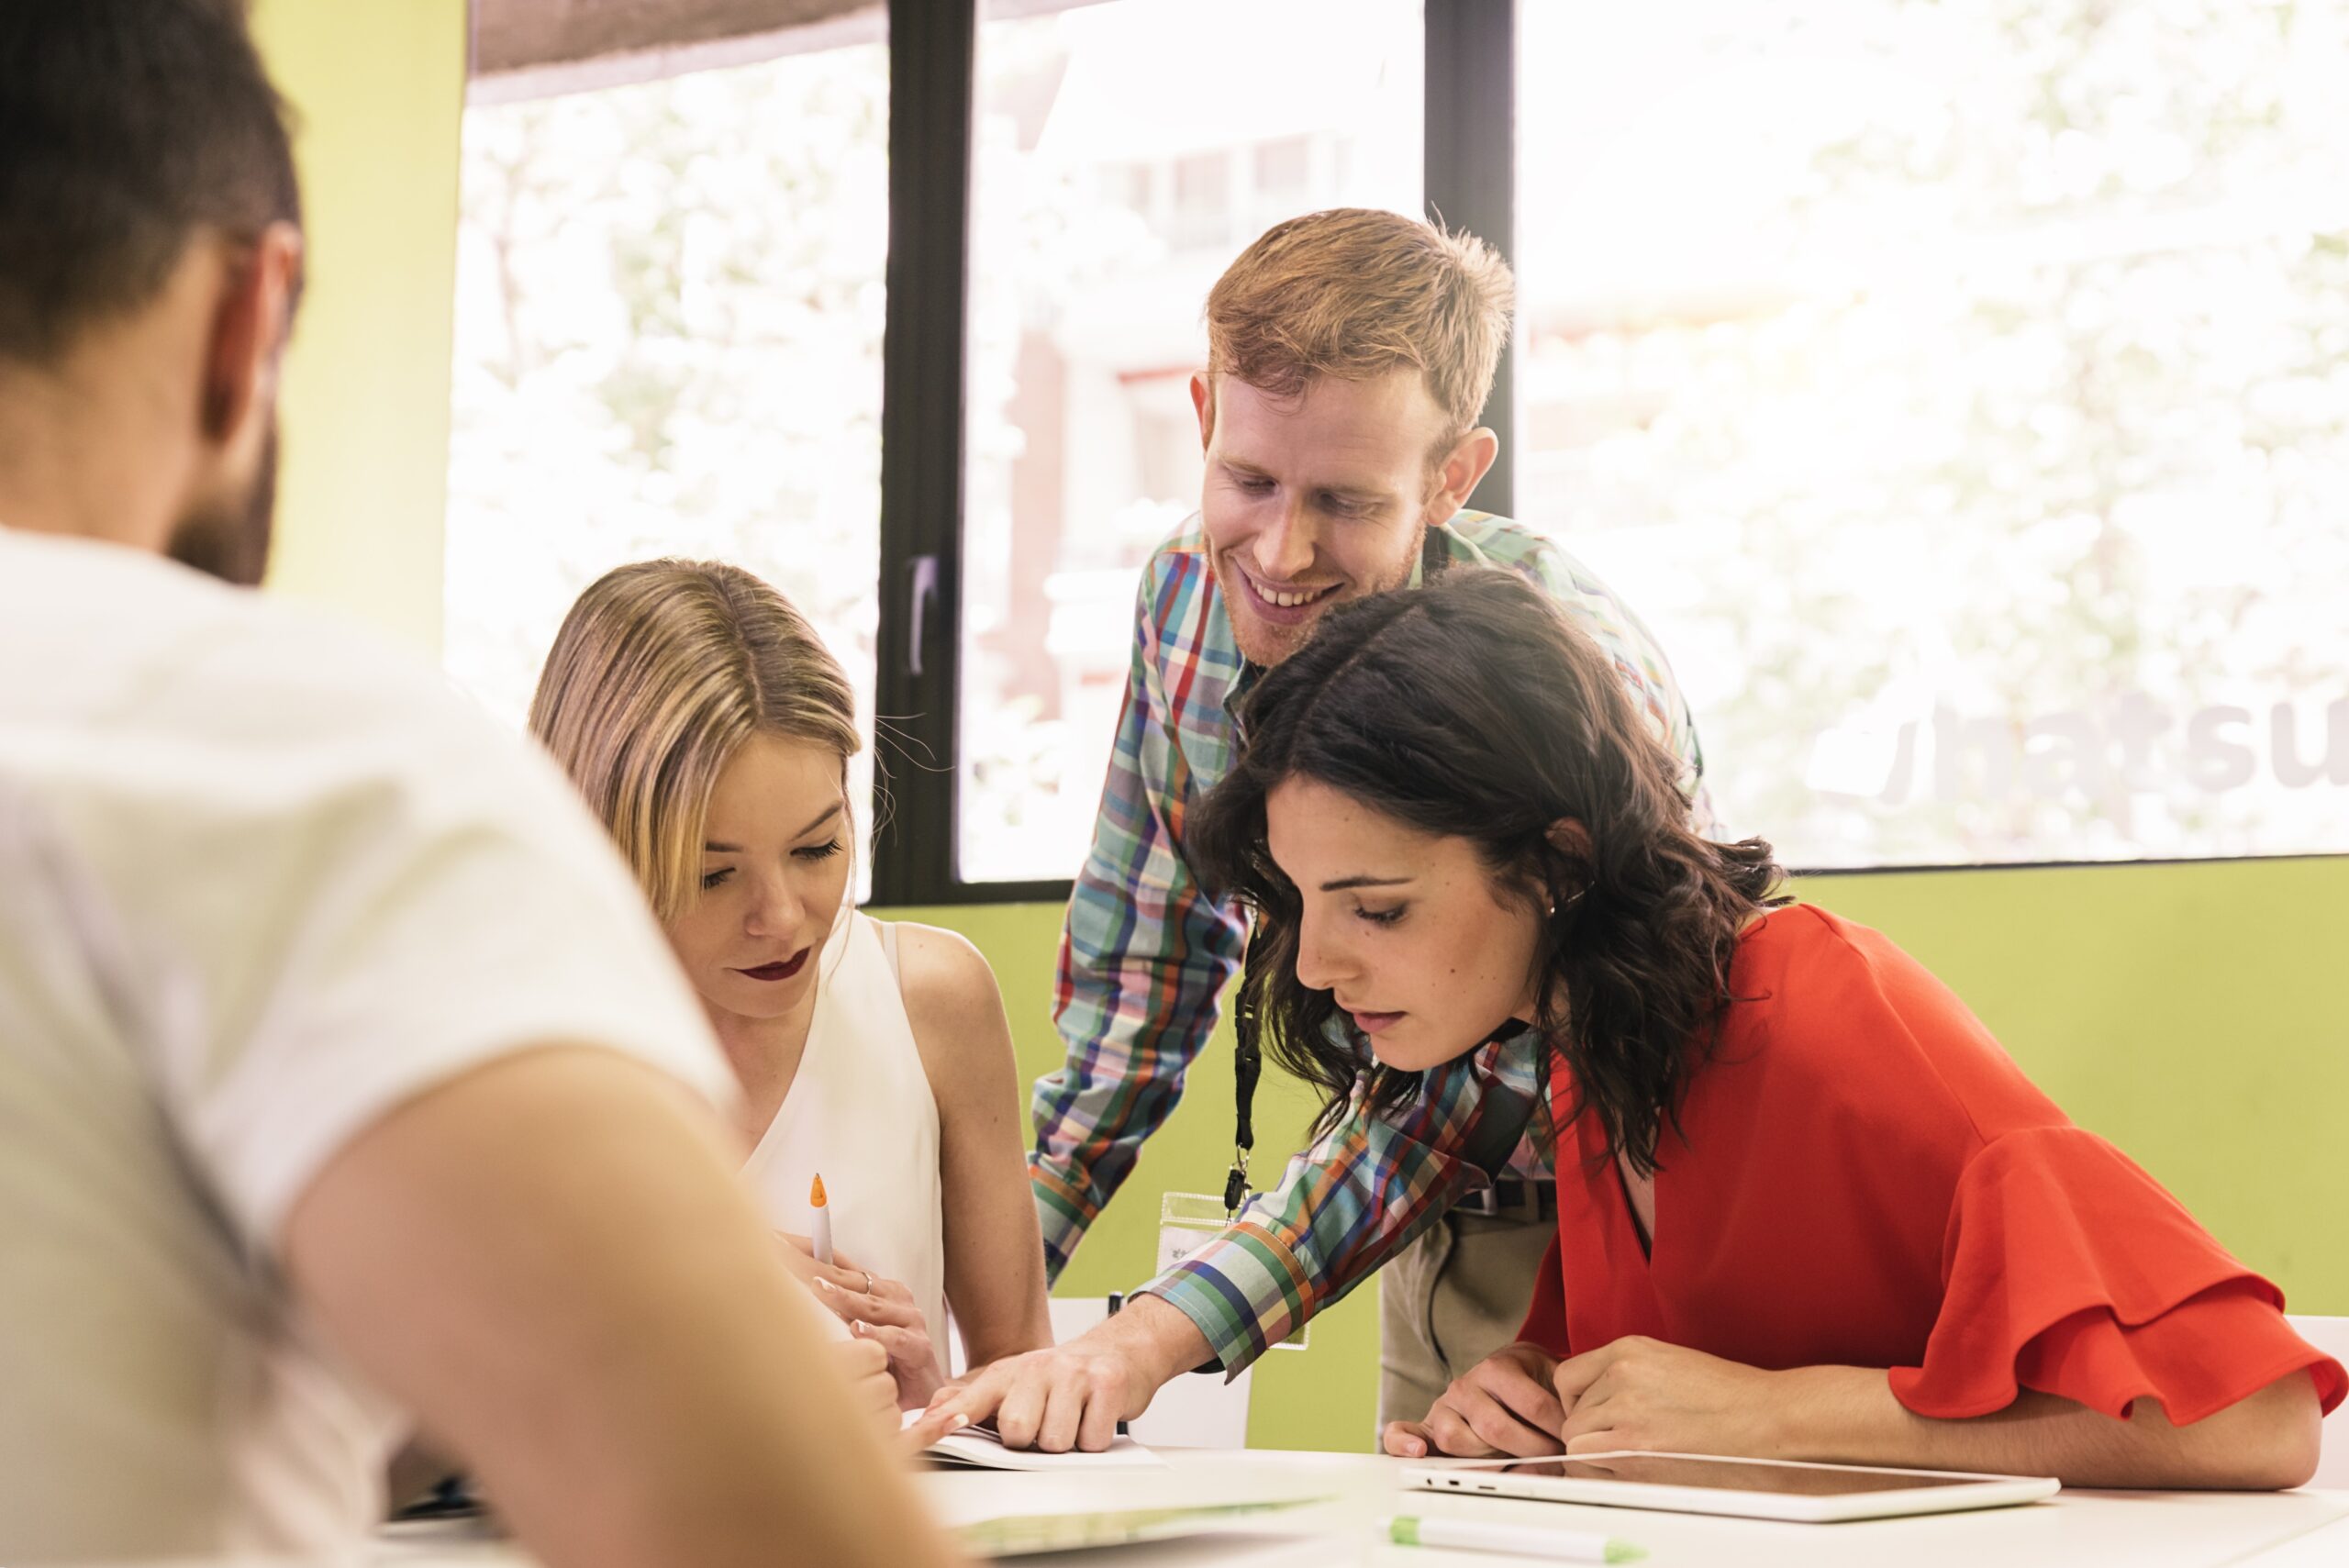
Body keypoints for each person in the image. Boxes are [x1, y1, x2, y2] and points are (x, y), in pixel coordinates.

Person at [0, 5, 960, 1563]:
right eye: (710, 865)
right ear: (253, 313)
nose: (773, 908)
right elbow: (762, 1524)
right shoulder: (295, 766)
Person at [1179, 570, 2333, 1485]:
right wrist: (1525, 1389)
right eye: (1301, 901)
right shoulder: (1585, 1045)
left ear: (1558, 862)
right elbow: (1660, 1379)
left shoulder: (1823, 1011)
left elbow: (2255, 1420)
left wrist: (1776, 1413)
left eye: (1375, 907)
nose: (1319, 967)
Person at [1017, 206, 1710, 1435]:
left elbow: (1488, 1086)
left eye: (1342, 499)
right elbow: (1145, 972)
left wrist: (1150, 1335)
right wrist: (1000, 1275)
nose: (1281, 550)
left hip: (1626, 1218)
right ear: (1201, 418)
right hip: (1409, 1222)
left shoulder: (1560, 666)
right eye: (1248, 479)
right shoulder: (1183, 601)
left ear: (1451, 477)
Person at [530, 560, 1053, 1404]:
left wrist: (935, 1396)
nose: (781, 919)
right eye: (711, 874)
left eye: (816, 849)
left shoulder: (931, 1002)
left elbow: (1019, 1373)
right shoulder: (516, 1051)